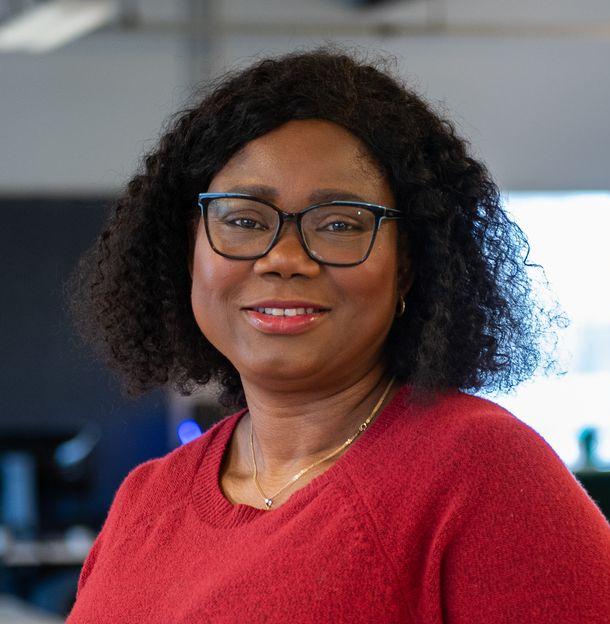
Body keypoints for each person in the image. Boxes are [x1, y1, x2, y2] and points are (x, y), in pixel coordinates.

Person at [65, 48, 610, 623]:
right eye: (244, 219)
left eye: (340, 224)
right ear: (188, 251)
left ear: (407, 265)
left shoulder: (482, 472)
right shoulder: (148, 498)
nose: (284, 258)